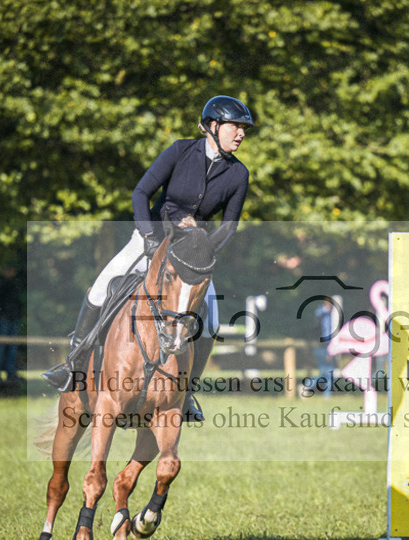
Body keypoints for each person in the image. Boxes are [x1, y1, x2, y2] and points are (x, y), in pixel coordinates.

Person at [43, 95, 254, 422]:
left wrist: (204, 250)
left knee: (210, 321)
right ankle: (72, 365)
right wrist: (148, 235)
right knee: (101, 288)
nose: (240, 133)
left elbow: (229, 225)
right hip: (149, 241)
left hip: (191, 257)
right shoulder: (180, 151)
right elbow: (141, 194)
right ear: (213, 126)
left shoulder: (238, 174)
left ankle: (187, 394)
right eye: (235, 126)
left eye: (243, 129)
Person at [0, 263, 22, 383]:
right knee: (1, 347)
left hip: (13, 318)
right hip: (5, 319)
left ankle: (10, 372)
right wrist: (0, 316)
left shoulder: (13, 284)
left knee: (12, 347)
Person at [313, 299, 337, 397]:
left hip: (320, 346)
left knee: (324, 372)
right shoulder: (325, 316)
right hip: (324, 347)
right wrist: (329, 352)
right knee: (328, 372)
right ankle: (327, 395)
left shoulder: (321, 314)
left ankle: (307, 385)